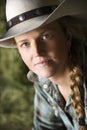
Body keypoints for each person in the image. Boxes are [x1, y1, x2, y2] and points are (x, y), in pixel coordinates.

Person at [0, 0, 87, 130]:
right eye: (25, 44)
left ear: (67, 36)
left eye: (46, 36)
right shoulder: (43, 82)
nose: (37, 52)